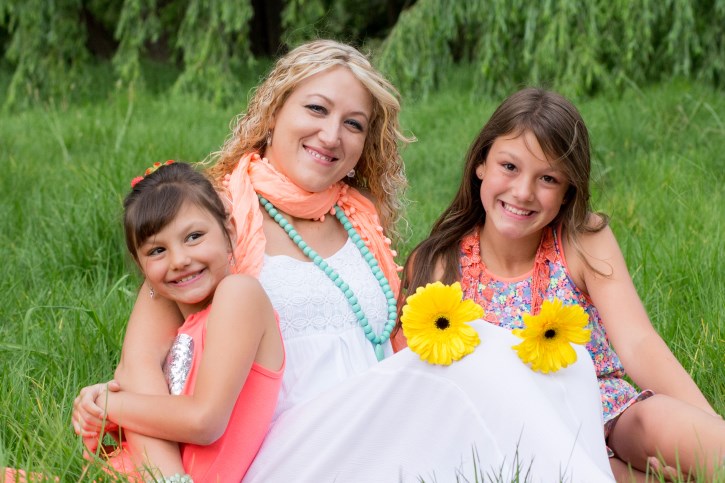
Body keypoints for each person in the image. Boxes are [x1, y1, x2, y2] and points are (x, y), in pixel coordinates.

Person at [74, 40, 615, 481]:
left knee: (560, 360)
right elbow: (138, 371)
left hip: (371, 432)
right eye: (316, 109)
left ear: (364, 145)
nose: (331, 135)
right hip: (279, 449)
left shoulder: (360, 222)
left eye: (354, 124)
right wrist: (172, 481)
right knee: (483, 357)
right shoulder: (210, 222)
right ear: (273, 112)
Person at [403, 87, 725, 481]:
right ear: (481, 164)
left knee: (661, 424)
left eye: (548, 178)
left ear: (568, 189)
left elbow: (638, 342)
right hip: (522, 443)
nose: (523, 192)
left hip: (609, 412)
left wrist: (705, 422)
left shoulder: (580, 240)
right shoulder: (440, 265)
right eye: (509, 166)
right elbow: (422, 389)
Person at [74, 161, 284, 481]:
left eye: (194, 236)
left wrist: (111, 406)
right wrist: (106, 412)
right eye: (157, 250)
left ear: (229, 231)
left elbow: (205, 421)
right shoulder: (178, 329)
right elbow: (141, 397)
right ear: (141, 266)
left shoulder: (240, 294)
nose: (179, 260)